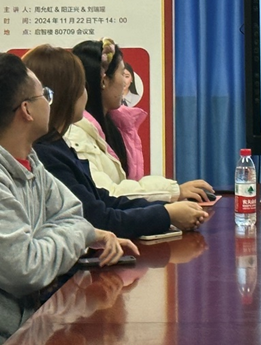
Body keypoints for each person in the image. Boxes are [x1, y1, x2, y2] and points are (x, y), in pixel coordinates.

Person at [0, 52, 138, 343]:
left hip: (36, 325)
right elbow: (26, 268)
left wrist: (86, 232)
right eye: (45, 95)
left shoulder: (32, 162)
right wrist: (80, 234)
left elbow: (74, 214)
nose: (50, 101)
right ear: (26, 110)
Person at [23, 45, 209, 239]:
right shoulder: (48, 154)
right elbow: (98, 218)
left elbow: (104, 199)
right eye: (81, 86)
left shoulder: (60, 146)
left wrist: (166, 209)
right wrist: (166, 212)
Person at [64, 38, 213, 203]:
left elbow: (127, 186)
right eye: (122, 74)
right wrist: (174, 191)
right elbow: (109, 194)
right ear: (104, 81)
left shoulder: (115, 126)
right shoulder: (75, 136)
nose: (126, 82)